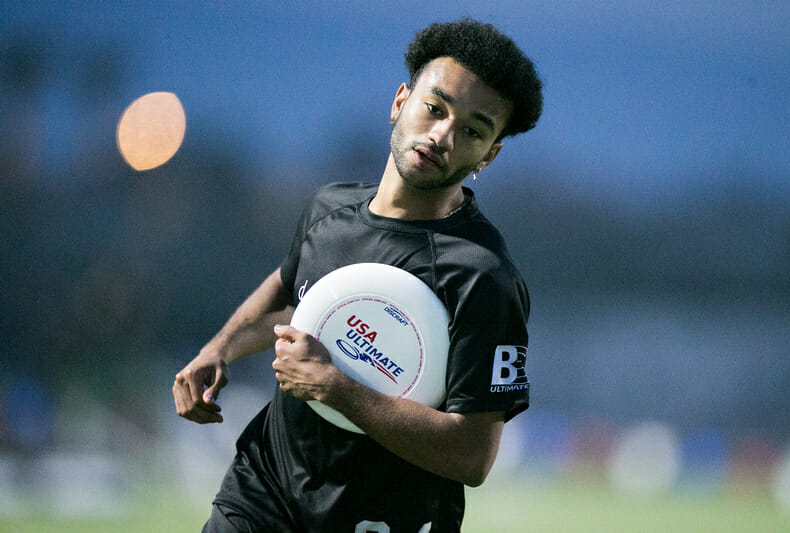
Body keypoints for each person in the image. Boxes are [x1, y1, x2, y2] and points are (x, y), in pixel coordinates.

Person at [173, 18, 543, 532]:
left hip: (380, 521)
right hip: (264, 490)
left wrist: (336, 386)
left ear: (489, 154)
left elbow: (472, 454)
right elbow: (289, 294)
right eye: (434, 108)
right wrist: (219, 349)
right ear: (400, 102)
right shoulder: (329, 207)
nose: (442, 135)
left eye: (472, 131)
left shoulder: (484, 277)